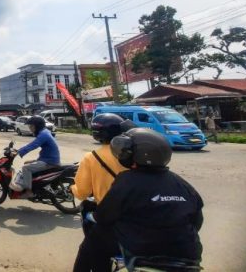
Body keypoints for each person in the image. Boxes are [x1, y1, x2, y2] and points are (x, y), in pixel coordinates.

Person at [94, 128, 203, 268]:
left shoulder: (126, 181)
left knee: (96, 236)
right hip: (190, 256)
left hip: (143, 253)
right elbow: (197, 221)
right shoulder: (181, 183)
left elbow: (103, 216)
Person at [71, 114, 135, 272]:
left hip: (107, 216)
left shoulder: (91, 158)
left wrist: (72, 188)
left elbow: (82, 193)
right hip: (135, 215)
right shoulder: (132, 154)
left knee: (88, 250)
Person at [13, 116, 60, 196]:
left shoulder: (43, 134)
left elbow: (33, 145)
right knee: (27, 163)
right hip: (47, 158)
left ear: (37, 126)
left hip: (49, 161)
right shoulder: (45, 132)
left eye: (31, 126)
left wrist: (18, 152)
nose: (30, 128)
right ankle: (34, 185)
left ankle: (29, 191)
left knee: (26, 168)